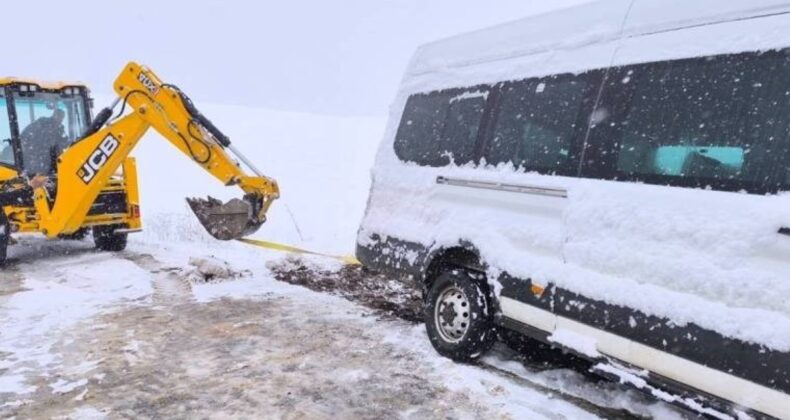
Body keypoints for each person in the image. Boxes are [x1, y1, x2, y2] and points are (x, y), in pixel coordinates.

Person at [20, 108, 68, 176]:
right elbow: (25, 135)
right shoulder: (42, 122)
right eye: (59, 116)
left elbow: (63, 142)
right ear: (54, 115)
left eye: (62, 117)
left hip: (53, 159)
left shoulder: (60, 129)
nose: (60, 119)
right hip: (38, 157)